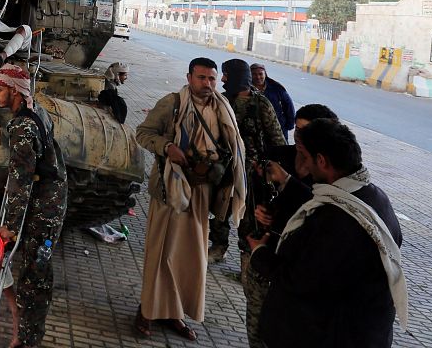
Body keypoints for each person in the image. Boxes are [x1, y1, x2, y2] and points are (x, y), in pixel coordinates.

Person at [247, 119, 407, 348]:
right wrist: (288, 183)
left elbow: (301, 280)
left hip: (328, 336)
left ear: (321, 160)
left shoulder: (338, 220)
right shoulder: (373, 199)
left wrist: (260, 253)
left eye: (305, 156)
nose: (302, 164)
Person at [134, 57, 246, 342]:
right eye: (201, 78)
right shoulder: (172, 103)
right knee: (160, 252)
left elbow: (231, 148)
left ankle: (176, 314)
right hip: (170, 190)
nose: (207, 84)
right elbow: (143, 134)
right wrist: (167, 146)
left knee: (190, 257)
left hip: (201, 192)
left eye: (211, 78)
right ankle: (147, 311)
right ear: (189, 78)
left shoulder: (223, 109)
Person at [0, 64, 67, 348]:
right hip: (43, 199)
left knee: (35, 280)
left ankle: (27, 340)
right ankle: (16, 312)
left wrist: (10, 228)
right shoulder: (35, 109)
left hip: (43, 209)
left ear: (15, 91)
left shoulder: (23, 127)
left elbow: (22, 180)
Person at [243, 103, 340, 348]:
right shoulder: (278, 156)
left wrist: (286, 182)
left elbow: (320, 208)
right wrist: (261, 212)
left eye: (306, 131)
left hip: (297, 268)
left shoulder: (331, 173)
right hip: (265, 256)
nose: (299, 137)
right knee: (257, 330)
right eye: (296, 130)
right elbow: (254, 192)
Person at [209, 59, 285, 263]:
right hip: (225, 168)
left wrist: (273, 171)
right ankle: (218, 246)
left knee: (249, 217)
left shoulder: (261, 104)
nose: (223, 79)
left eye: (226, 75)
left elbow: (278, 140)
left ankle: (248, 256)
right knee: (220, 210)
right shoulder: (223, 101)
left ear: (238, 76)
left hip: (253, 172)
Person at [250, 63, 296, 142]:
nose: (258, 77)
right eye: (254, 74)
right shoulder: (246, 88)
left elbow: (288, 106)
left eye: (260, 74)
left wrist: (289, 124)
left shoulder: (276, 88)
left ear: (265, 74)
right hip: (256, 130)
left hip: (278, 128)